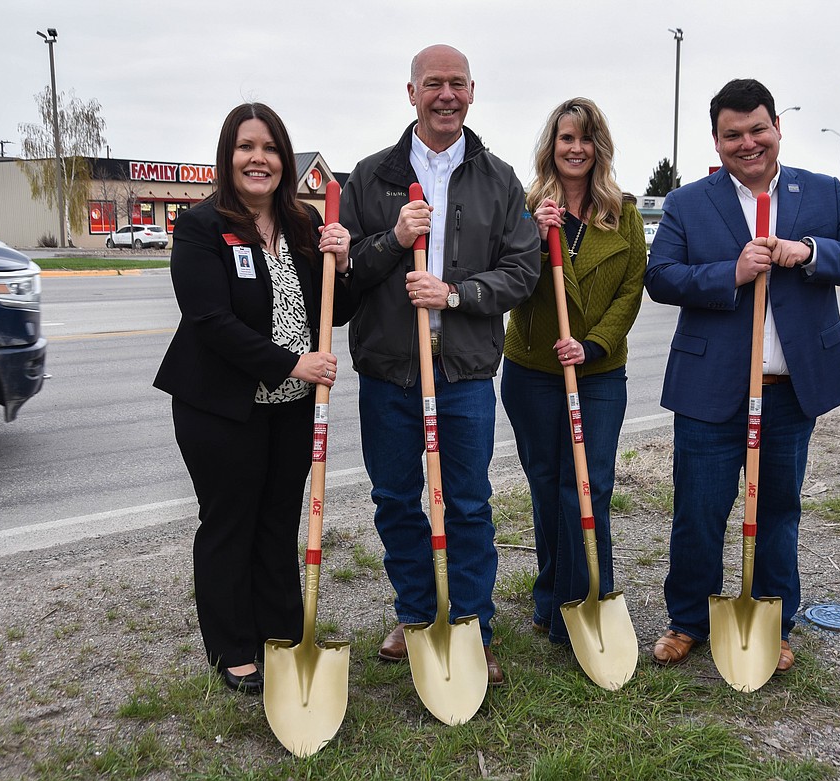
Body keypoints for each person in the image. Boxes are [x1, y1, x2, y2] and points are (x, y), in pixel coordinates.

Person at [644, 78, 840, 671]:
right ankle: (689, 621)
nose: (748, 143)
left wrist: (808, 251)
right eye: (733, 135)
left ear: (777, 127)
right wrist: (731, 271)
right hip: (709, 389)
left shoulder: (823, 194)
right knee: (698, 511)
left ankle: (773, 621)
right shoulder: (688, 203)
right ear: (717, 140)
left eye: (758, 130)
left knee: (778, 510)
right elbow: (662, 276)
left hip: (789, 388)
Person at [339, 44, 541, 686]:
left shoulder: (499, 178)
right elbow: (342, 287)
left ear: (473, 92)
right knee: (397, 499)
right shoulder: (370, 178)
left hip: (464, 373)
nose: (445, 95)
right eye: (433, 84)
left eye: (456, 84)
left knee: (468, 503)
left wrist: (455, 295)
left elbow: (522, 270)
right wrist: (393, 242)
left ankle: (472, 627)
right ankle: (418, 614)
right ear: (411, 93)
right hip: (389, 371)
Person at [153, 103, 355, 694]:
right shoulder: (201, 226)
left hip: (291, 407)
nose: (258, 158)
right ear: (228, 156)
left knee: (276, 521)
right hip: (220, 407)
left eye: (269, 148)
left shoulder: (301, 224)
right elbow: (210, 320)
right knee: (229, 522)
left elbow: (333, 313)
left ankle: (282, 633)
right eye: (246, 147)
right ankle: (233, 647)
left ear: (284, 159)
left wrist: (340, 266)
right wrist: (296, 363)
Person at [501, 97, 646, 646]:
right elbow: (509, 283)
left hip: (599, 370)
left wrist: (593, 345)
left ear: (599, 147)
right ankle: (551, 600)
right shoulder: (527, 208)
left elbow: (632, 289)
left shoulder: (623, 212)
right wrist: (533, 242)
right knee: (548, 484)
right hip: (534, 369)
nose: (576, 148)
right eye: (566, 138)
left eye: (585, 139)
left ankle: (590, 595)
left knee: (588, 485)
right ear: (552, 146)